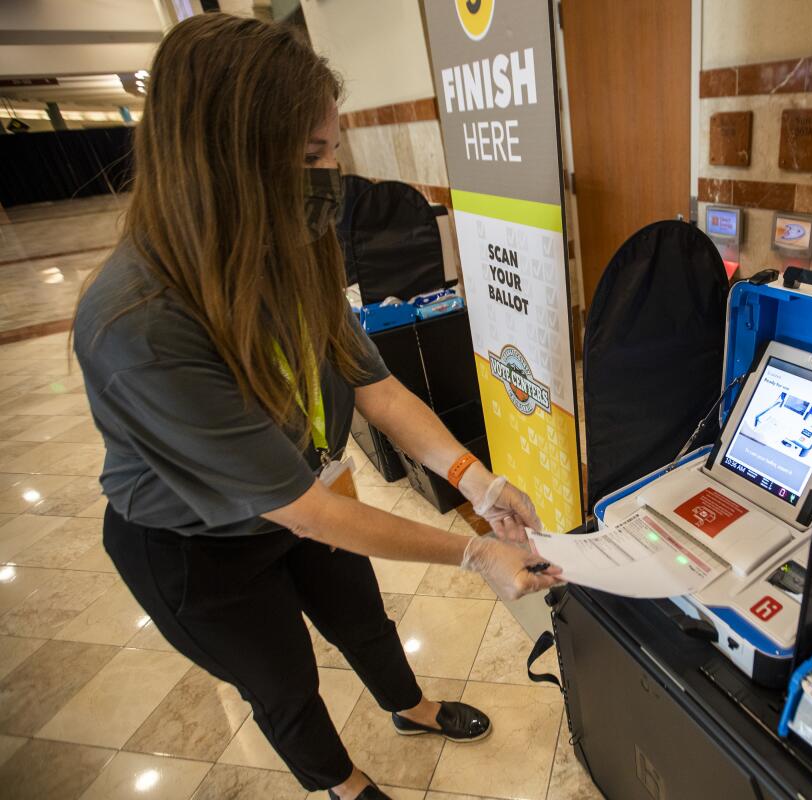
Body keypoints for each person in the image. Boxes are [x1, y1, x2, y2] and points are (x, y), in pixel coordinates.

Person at [71, 13, 559, 800]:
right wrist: (473, 554)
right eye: (310, 157)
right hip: (196, 545)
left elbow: (379, 387)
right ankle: (341, 782)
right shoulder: (141, 324)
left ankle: (410, 706)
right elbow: (305, 513)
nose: (332, 175)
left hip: (308, 489)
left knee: (363, 619)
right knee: (283, 680)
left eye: (332, 150)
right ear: (219, 165)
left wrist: (479, 483)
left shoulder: (290, 242)